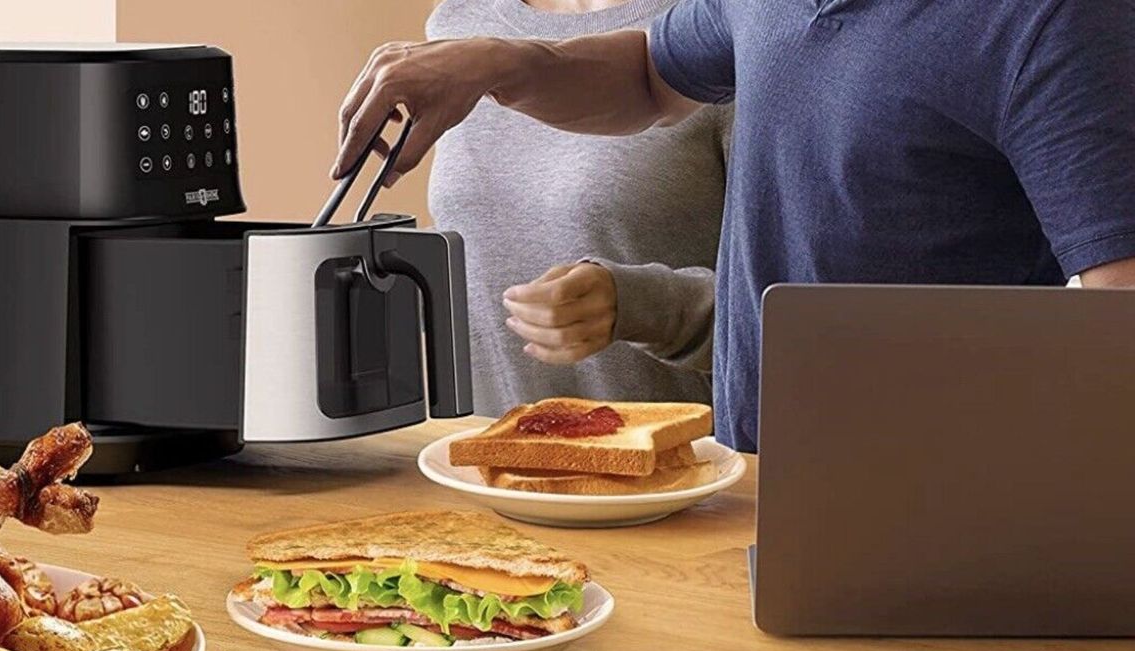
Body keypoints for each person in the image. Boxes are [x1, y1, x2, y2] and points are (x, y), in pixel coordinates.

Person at [333, 0, 1135, 452]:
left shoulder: (1058, 19)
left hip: (930, 507)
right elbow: (649, 76)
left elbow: (1119, 321)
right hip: (747, 480)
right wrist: (501, 63)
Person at [419, 0, 731, 417]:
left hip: (678, 472)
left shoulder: (729, 30)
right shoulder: (459, 21)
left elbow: (795, 318)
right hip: (478, 466)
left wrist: (641, 306)